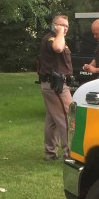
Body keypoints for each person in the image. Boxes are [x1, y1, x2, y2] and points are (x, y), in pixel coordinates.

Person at [38, 14, 73, 161]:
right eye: (61, 25)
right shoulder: (51, 38)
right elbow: (58, 48)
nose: (64, 28)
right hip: (56, 85)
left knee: (52, 120)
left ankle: (50, 153)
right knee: (68, 117)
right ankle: (70, 154)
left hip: (52, 84)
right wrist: (59, 33)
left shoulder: (58, 38)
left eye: (66, 26)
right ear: (54, 25)